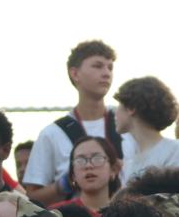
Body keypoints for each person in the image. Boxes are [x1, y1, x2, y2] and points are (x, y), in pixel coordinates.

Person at [23, 40, 118, 207]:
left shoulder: (127, 126)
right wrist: (64, 184)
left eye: (110, 67)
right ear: (75, 74)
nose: (106, 73)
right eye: (98, 66)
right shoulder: (52, 134)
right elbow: (32, 197)